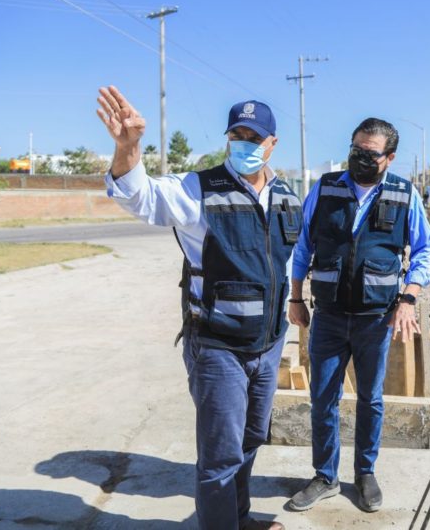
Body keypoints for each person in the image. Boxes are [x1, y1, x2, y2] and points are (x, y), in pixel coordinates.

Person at [96, 86, 298, 530]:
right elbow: (140, 196)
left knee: (249, 441)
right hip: (218, 346)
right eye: (237, 135)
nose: (245, 144)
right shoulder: (198, 189)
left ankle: (237, 518)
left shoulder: (287, 197)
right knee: (220, 455)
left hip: (267, 345)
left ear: (273, 143)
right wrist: (127, 148)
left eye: (254, 137)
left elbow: (291, 262)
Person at [287, 117, 430, 513]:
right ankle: (325, 476)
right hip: (329, 316)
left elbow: (424, 250)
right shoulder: (326, 188)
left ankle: (365, 473)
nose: (360, 158)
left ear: (389, 158)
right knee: (323, 399)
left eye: (370, 154)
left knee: (370, 399)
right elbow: (302, 246)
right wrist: (295, 298)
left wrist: (408, 299)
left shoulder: (404, 195)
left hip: (376, 319)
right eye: (356, 150)